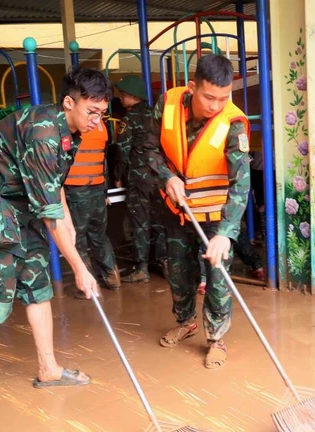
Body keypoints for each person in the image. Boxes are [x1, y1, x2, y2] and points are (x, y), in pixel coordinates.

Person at [0, 68, 109, 404]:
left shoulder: (71, 131)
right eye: (91, 112)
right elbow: (48, 211)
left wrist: (66, 216)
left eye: (101, 114)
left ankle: (49, 368)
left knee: (37, 282)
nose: (97, 121)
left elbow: (54, 186)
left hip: (22, 203)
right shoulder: (42, 134)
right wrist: (80, 268)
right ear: (69, 102)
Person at [145, 54, 251, 369]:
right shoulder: (167, 105)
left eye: (223, 97)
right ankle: (186, 321)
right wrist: (167, 177)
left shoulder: (233, 123)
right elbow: (148, 148)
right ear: (193, 88)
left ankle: (217, 339)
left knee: (217, 279)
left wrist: (226, 234)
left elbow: (241, 185)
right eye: (208, 97)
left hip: (216, 217)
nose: (215, 105)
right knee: (178, 272)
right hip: (177, 211)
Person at [113, 75, 168, 283]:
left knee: (140, 222)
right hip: (161, 175)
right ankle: (165, 262)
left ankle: (141, 268)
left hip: (139, 177)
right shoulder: (156, 115)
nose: (120, 99)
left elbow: (123, 150)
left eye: (122, 95)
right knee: (160, 221)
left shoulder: (129, 119)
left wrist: (118, 176)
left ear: (131, 96)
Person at [63, 100, 120, 297]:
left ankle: (89, 287)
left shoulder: (78, 127)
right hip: (97, 187)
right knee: (99, 235)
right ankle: (113, 277)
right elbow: (103, 159)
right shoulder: (101, 126)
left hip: (77, 189)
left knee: (77, 239)